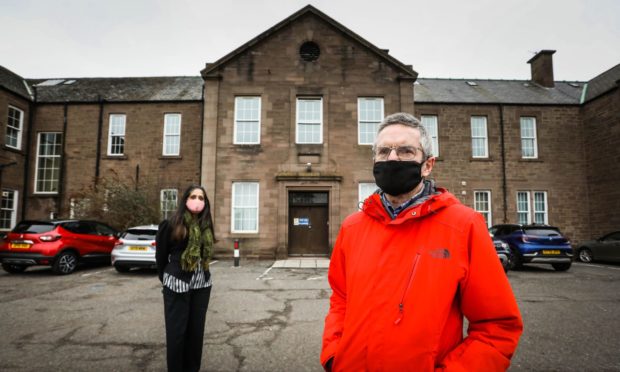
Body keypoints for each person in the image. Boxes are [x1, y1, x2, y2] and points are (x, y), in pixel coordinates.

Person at [321, 113, 523, 371]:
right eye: (383, 151)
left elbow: (496, 327)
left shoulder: (464, 225)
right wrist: (333, 354)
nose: (392, 158)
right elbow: (341, 299)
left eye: (405, 151)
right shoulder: (352, 226)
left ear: (427, 165)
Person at [156, 184, 216, 372]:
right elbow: (160, 256)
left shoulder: (206, 225)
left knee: (195, 334)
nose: (197, 201)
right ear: (185, 199)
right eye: (194, 196)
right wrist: (167, 279)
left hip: (202, 284)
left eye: (201, 198)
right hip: (177, 284)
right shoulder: (171, 223)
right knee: (177, 334)